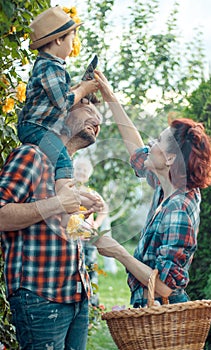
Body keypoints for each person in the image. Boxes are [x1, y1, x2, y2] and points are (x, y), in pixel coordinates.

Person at [93, 71, 211, 306]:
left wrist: (119, 252)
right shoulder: (167, 186)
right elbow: (135, 149)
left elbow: (165, 288)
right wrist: (109, 96)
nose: (151, 144)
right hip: (150, 311)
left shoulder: (178, 209)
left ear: (170, 159)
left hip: (164, 319)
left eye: (158, 141)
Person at [0, 99, 104, 349]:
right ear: (62, 115)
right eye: (88, 110)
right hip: (40, 296)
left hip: (76, 296)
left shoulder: (64, 173)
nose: (97, 119)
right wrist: (59, 203)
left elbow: (54, 229)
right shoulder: (31, 155)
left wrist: (83, 216)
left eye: (99, 116)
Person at [17, 6, 99, 192]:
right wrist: (84, 89)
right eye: (72, 39)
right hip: (36, 127)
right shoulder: (49, 67)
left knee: (57, 158)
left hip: (38, 126)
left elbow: (58, 97)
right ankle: (64, 196)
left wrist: (81, 88)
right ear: (59, 39)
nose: (74, 45)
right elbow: (63, 102)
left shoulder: (52, 67)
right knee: (64, 161)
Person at [73, 156, 108, 305]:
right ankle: (77, 300)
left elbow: (104, 209)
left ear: (89, 174)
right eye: (79, 169)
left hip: (88, 238)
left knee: (91, 270)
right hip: (72, 238)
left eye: (85, 170)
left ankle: (92, 305)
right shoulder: (69, 190)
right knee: (75, 271)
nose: (81, 172)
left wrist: (96, 225)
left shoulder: (91, 193)